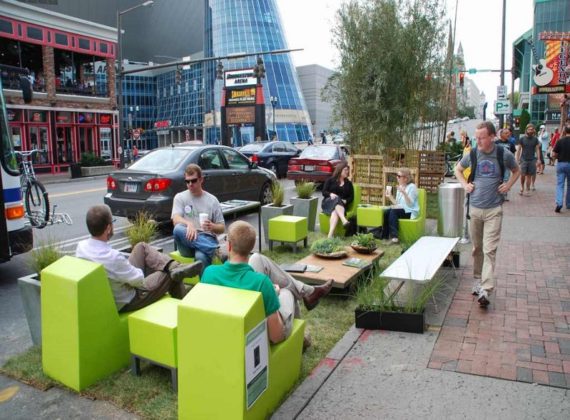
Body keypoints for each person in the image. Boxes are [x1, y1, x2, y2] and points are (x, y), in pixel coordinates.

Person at [202, 221, 333, 344]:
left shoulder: (209, 273)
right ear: (251, 247)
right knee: (287, 291)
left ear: (229, 245)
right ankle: (301, 338)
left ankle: (307, 294)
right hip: (254, 337)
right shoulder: (261, 283)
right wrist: (273, 294)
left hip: (225, 327)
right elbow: (275, 336)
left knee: (258, 259)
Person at [75, 205, 201, 312]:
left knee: (141, 247)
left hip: (111, 292)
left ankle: (175, 266)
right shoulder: (112, 257)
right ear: (108, 228)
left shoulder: (81, 247)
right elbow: (139, 280)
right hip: (129, 299)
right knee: (170, 275)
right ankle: (185, 311)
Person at [455, 121, 520, 308]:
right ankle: (477, 279)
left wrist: (508, 185)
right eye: (476, 138)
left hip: (494, 210)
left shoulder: (502, 153)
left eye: (481, 138)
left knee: (489, 249)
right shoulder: (473, 153)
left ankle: (486, 289)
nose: (478, 141)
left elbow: (517, 170)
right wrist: (464, 185)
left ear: (492, 137)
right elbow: (458, 170)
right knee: (477, 249)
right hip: (475, 209)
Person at [172, 164, 225, 272]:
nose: (190, 184)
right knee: (177, 229)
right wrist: (189, 224)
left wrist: (212, 226)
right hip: (187, 241)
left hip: (206, 237)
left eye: (194, 180)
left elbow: (222, 227)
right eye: (187, 181)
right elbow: (175, 219)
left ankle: (204, 286)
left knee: (201, 257)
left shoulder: (212, 200)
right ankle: (214, 250)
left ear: (201, 180)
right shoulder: (180, 197)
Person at [380, 167, 419, 244]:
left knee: (393, 211)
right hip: (401, 210)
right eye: (397, 176)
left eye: (399, 176)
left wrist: (404, 193)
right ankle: (385, 236)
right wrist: (390, 196)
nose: (397, 178)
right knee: (387, 211)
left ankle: (395, 238)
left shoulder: (412, 187)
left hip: (410, 212)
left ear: (405, 178)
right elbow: (397, 204)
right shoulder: (400, 187)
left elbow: (410, 205)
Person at [321, 162, 354, 237]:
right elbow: (324, 192)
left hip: (341, 206)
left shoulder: (348, 183)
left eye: (347, 170)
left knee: (335, 212)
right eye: (345, 170)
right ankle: (344, 220)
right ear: (340, 170)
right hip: (328, 203)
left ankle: (330, 235)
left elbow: (351, 197)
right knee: (337, 198)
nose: (347, 172)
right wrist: (330, 194)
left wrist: (346, 201)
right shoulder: (330, 180)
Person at [515, 123, 541, 196]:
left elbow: (537, 149)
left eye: (532, 129)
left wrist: (538, 159)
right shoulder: (522, 139)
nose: (531, 130)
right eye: (529, 129)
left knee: (529, 175)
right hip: (523, 159)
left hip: (532, 160)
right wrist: (517, 159)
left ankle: (527, 189)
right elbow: (519, 149)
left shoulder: (535, 139)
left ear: (534, 130)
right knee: (523, 175)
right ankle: (522, 187)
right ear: (526, 130)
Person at [552, 125, 570, 213]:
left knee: (560, 184)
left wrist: (555, 158)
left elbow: (554, 154)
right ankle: (569, 203)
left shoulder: (560, 141)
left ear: (565, 131)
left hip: (561, 163)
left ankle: (559, 203)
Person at [495, 128, 516, 201]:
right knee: (497, 179)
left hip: (507, 165)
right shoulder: (496, 143)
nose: (508, 134)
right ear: (501, 134)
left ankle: (504, 194)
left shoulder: (511, 144)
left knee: (506, 179)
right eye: (506, 133)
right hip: (497, 164)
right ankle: (497, 194)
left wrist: (513, 163)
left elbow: (513, 154)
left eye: (508, 133)